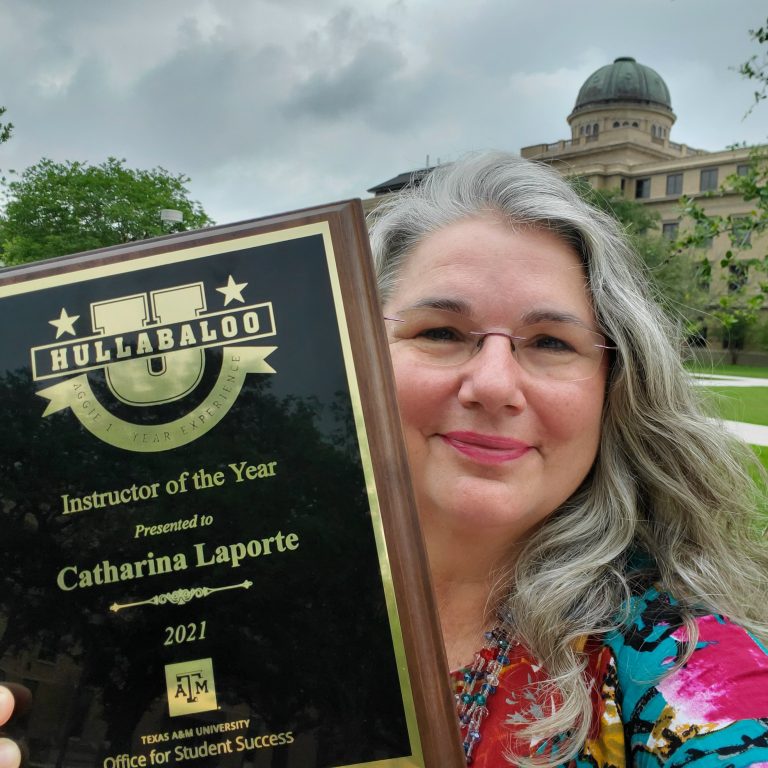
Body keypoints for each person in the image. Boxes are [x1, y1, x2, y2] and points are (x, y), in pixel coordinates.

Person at [1, 151, 767, 767]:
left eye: (551, 343)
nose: (495, 383)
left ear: (615, 388)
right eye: (441, 332)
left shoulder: (687, 676)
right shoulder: (207, 586)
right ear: (351, 352)